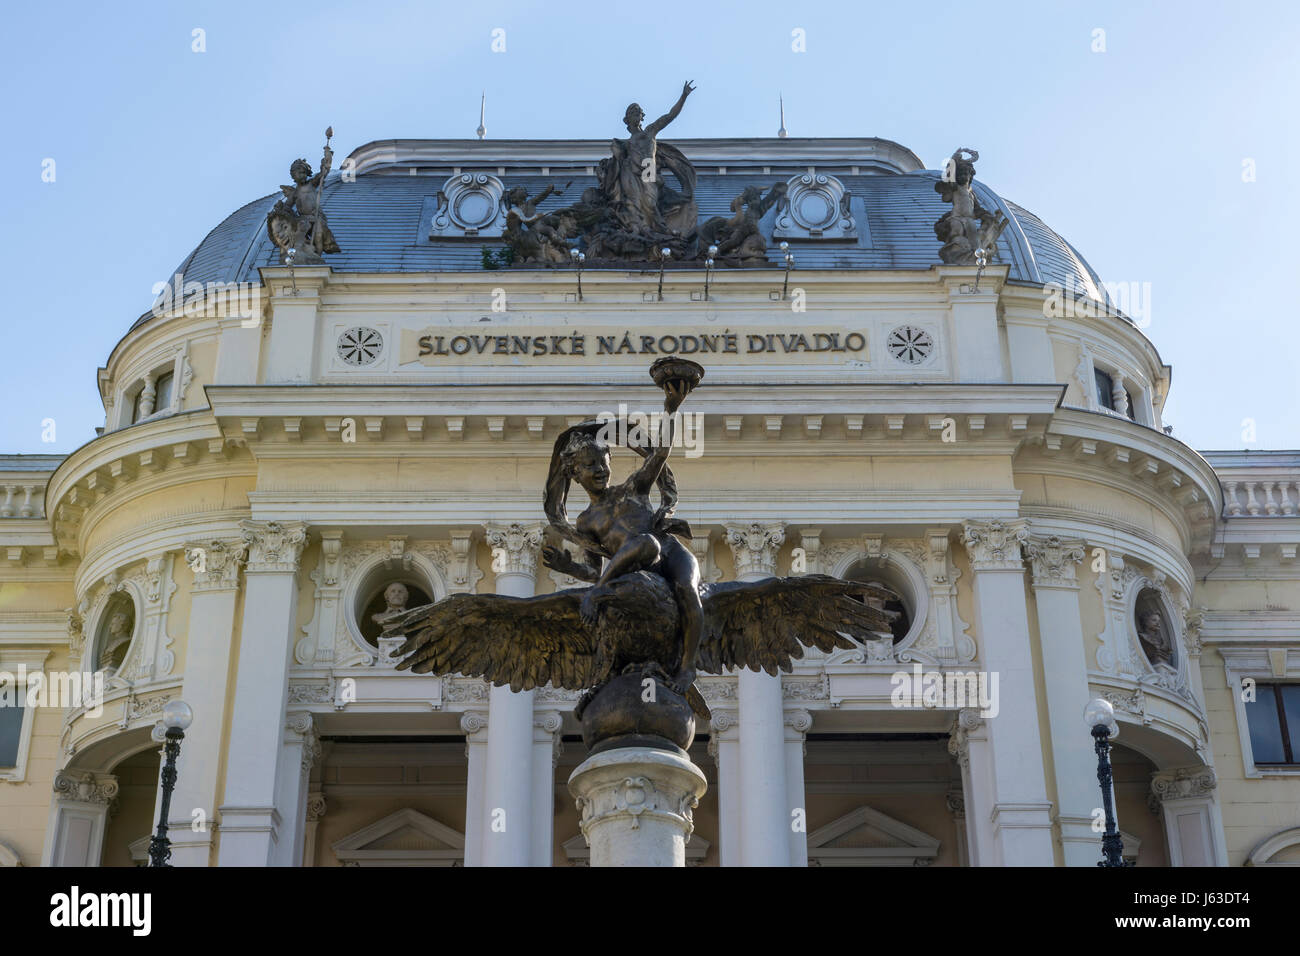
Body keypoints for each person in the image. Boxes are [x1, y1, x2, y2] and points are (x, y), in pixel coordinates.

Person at [542, 381, 702, 693]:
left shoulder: (632, 489)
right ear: (573, 473)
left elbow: (658, 457)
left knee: (686, 587)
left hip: (667, 555)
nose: (600, 469)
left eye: (604, 462)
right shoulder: (586, 522)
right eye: (590, 465)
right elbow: (598, 570)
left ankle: (687, 666)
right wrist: (570, 569)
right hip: (632, 567)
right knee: (640, 545)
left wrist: (670, 410)